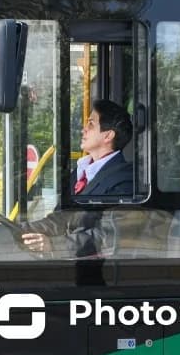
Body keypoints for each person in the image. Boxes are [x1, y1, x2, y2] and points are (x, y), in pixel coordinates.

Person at [20, 99, 134, 257]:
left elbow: (107, 236)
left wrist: (54, 245)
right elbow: (62, 218)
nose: (83, 130)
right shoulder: (81, 172)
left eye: (91, 124)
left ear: (108, 135)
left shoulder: (124, 181)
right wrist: (24, 230)